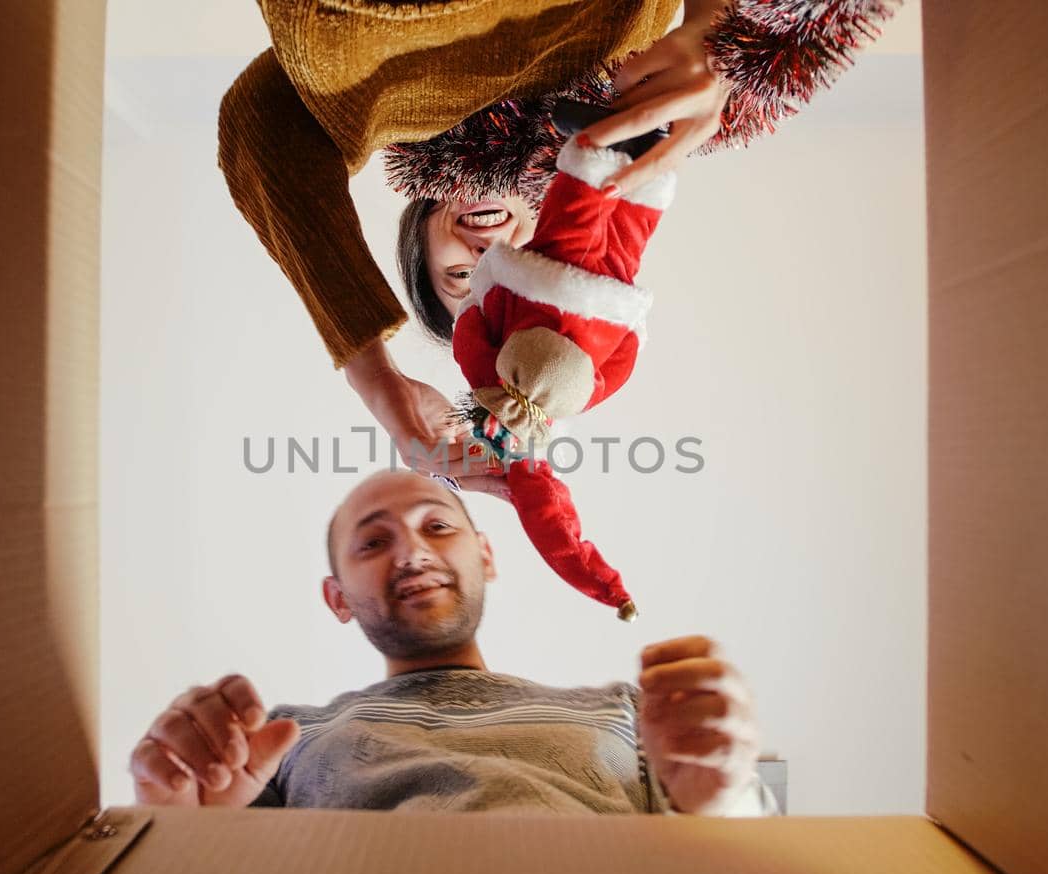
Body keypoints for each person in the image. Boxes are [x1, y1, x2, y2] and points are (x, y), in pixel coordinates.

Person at [218, 1, 737, 497]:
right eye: (501, 291)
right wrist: (711, 28)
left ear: (418, 237)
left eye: (460, 277)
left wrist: (374, 376)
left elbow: (258, 117)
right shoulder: (628, 85)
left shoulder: (370, 102)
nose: (486, 254)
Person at [128, 469, 773, 816]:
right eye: (374, 542)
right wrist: (180, 821)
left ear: (487, 557)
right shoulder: (280, 740)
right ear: (337, 598)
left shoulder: (629, 712)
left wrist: (724, 802)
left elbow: (752, 864)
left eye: (438, 526)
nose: (412, 551)